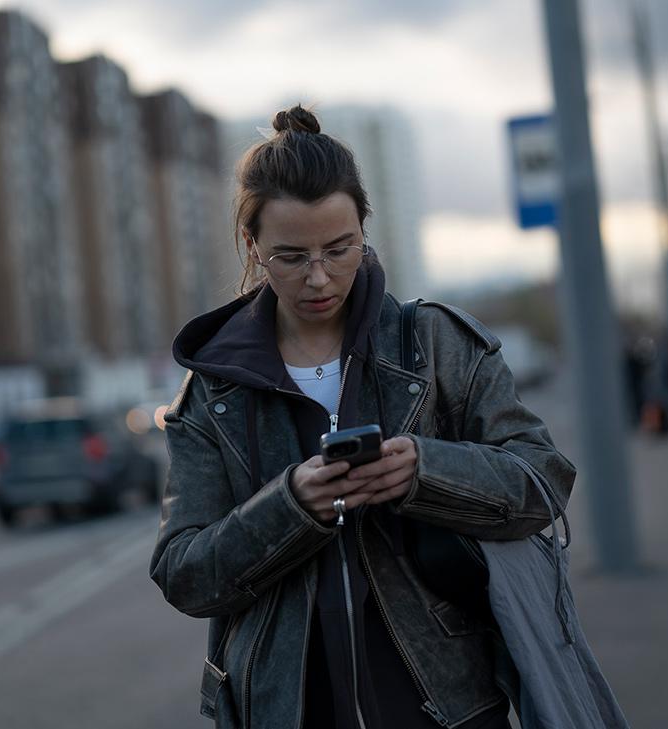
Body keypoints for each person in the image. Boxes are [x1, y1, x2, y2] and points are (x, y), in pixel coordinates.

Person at [150, 105, 577, 729]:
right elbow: (184, 573)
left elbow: (544, 480)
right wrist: (290, 505)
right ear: (252, 245)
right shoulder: (213, 393)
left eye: (339, 248)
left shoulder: (434, 346)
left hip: (447, 704)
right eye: (290, 256)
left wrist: (423, 472)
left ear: (364, 229)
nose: (319, 277)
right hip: (286, 707)